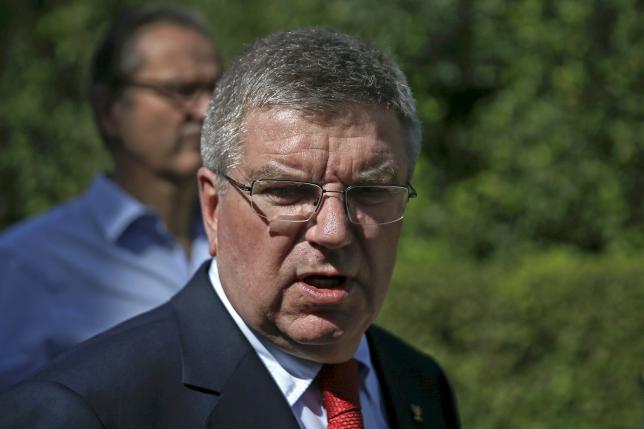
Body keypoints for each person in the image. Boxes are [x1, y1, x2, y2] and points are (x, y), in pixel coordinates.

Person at [0, 28, 460, 428]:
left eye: (370, 191)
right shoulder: (82, 411)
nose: (334, 230)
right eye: (288, 192)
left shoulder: (417, 383)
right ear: (214, 207)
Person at [0, 5, 222, 389]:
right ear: (109, 110)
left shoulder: (246, 239)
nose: (205, 110)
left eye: (216, 90)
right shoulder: (27, 265)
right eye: (180, 91)